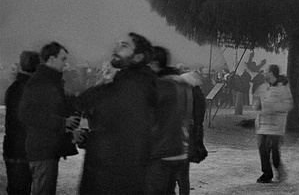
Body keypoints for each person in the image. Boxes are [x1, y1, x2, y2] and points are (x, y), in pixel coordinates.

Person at [76, 32, 158, 194]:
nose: (116, 48)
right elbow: (82, 105)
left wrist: (91, 134)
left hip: (114, 175)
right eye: (117, 44)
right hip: (112, 169)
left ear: (138, 57)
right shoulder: (122, 80)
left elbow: (100, 116)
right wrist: (101, 84)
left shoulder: (133, 85)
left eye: (124, 46)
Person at [18, 42, 79, 195]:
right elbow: (27, 114)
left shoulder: (50, 81)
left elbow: (53, 109)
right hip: (42, 150)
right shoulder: (41, 82)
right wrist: (63, 122)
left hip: (47, 148)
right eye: (63, 59)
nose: (66, 63)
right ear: (52, 59)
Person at [145, 46, 196, 195]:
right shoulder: (183, 85)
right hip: (179, 150)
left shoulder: (158, 87)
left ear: (154, 63)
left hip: (160, 152)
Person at [3, 51, 40, 195]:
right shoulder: (31, 90)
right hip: (25, 150)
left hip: (14, 149)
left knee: (16, 189)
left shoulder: (15, 88)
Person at [252, 64, 293, 184]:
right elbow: (256, 100)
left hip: (275, 126)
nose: (264, 73)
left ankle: (278, 168)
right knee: (262, 150)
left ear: (271, 73)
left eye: (266, 71)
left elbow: (289, 104)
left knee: (274, 150)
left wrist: (273, 108)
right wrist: (256, 105)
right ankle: (267, 173)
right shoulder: (262, 87)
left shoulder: (283, 88)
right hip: (262, 124)